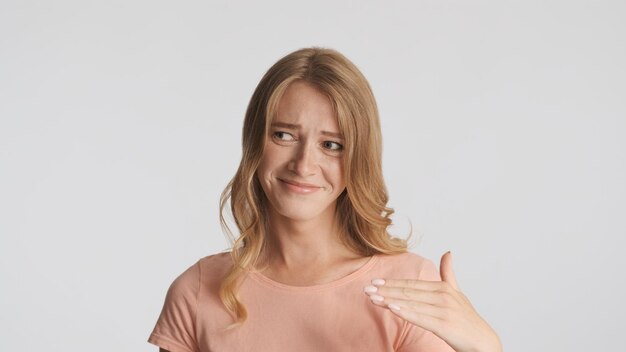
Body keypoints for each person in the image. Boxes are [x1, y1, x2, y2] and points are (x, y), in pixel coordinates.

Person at [148, 47, 502, 352]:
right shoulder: (196, 292)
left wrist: (485, 348)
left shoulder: (411, 286)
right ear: (255, 141)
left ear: (358, 158)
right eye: (284, 135)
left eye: (332, 145)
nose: (304, 165)